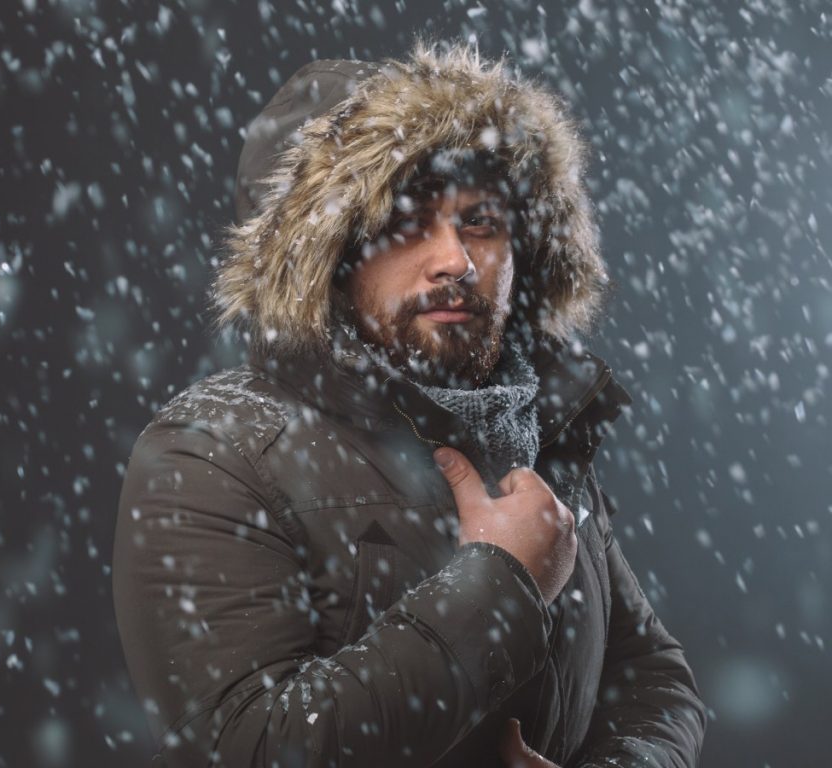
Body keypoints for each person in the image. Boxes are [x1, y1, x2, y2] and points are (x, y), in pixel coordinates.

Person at [112, 38, 707, 767]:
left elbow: (653, 680)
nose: (455, 260)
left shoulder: (533, 426)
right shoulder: (209, 455)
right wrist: (501, 582)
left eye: (481, 222)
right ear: (325, 256)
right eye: (405, 222)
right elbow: (250, 748)